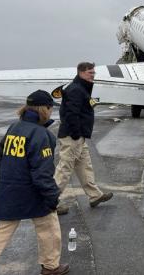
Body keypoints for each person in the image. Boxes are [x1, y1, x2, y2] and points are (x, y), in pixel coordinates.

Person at [0, 90, 69, 275]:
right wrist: (52, 197)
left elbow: (2, 156)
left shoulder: (13, 128)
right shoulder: (42, 135)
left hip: (9, 187)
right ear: (44, 109)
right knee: (48, 225)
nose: (51, 111)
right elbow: (43, 173)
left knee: (2, 231)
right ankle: (50, 266)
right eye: (50, 108)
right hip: (32, 190)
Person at [54, 62, 112, 215]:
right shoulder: (76, 90)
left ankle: (95, 196)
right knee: (65, 169)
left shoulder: (81, 88)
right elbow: (71, 114)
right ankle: (49, 202)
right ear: (80, 72)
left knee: (85, 166)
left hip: (79, 137)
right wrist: (75, 133)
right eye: (89, 73)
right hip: (73, 136)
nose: (92, 75)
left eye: (93, 73)